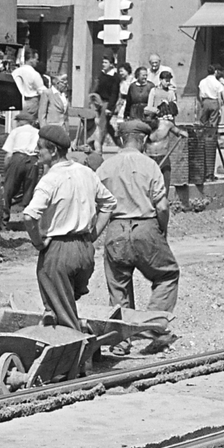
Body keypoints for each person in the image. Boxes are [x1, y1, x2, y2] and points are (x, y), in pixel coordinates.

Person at [22, 124, 116, 333]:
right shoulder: (87, 173)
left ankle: (79, 356)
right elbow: (109, 203)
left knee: (65, 320)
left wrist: (38, 242)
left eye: (40, 147)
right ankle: (66, 325)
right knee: (63, 303)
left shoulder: (50, 180)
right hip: (84, 250)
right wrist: (93, 235)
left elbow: (29, 216)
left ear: (53, 151)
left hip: (58, 252)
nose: (37, 151)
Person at [97, 119, 179, 322]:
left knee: (118, 287)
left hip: (115, 230)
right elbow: (162, 206)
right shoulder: (150, 165)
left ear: (122, 139)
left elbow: (94, 204)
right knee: (167, 275)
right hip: (145, 228)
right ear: (142, 140)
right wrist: (162, 230)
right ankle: (152, 325)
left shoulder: (105, 167)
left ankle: (119, 339)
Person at [1, 110, 41, 216]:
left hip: (17, 158)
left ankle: (4, 218)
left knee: (8, 190)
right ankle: (27, 218)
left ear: (21, 122)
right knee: (29, 191)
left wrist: (6, 170)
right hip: (33, 160)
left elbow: (9, 154)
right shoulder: (37, 132)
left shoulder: (16, 132)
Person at [11, 49, 47, 123]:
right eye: (36, 59)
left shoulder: (15, 72)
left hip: (15, 101)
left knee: (17, 123)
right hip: (31, 102)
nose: (37, 61)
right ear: (31, 59)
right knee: (29, 123)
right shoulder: (34, 74)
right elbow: (42, 91)